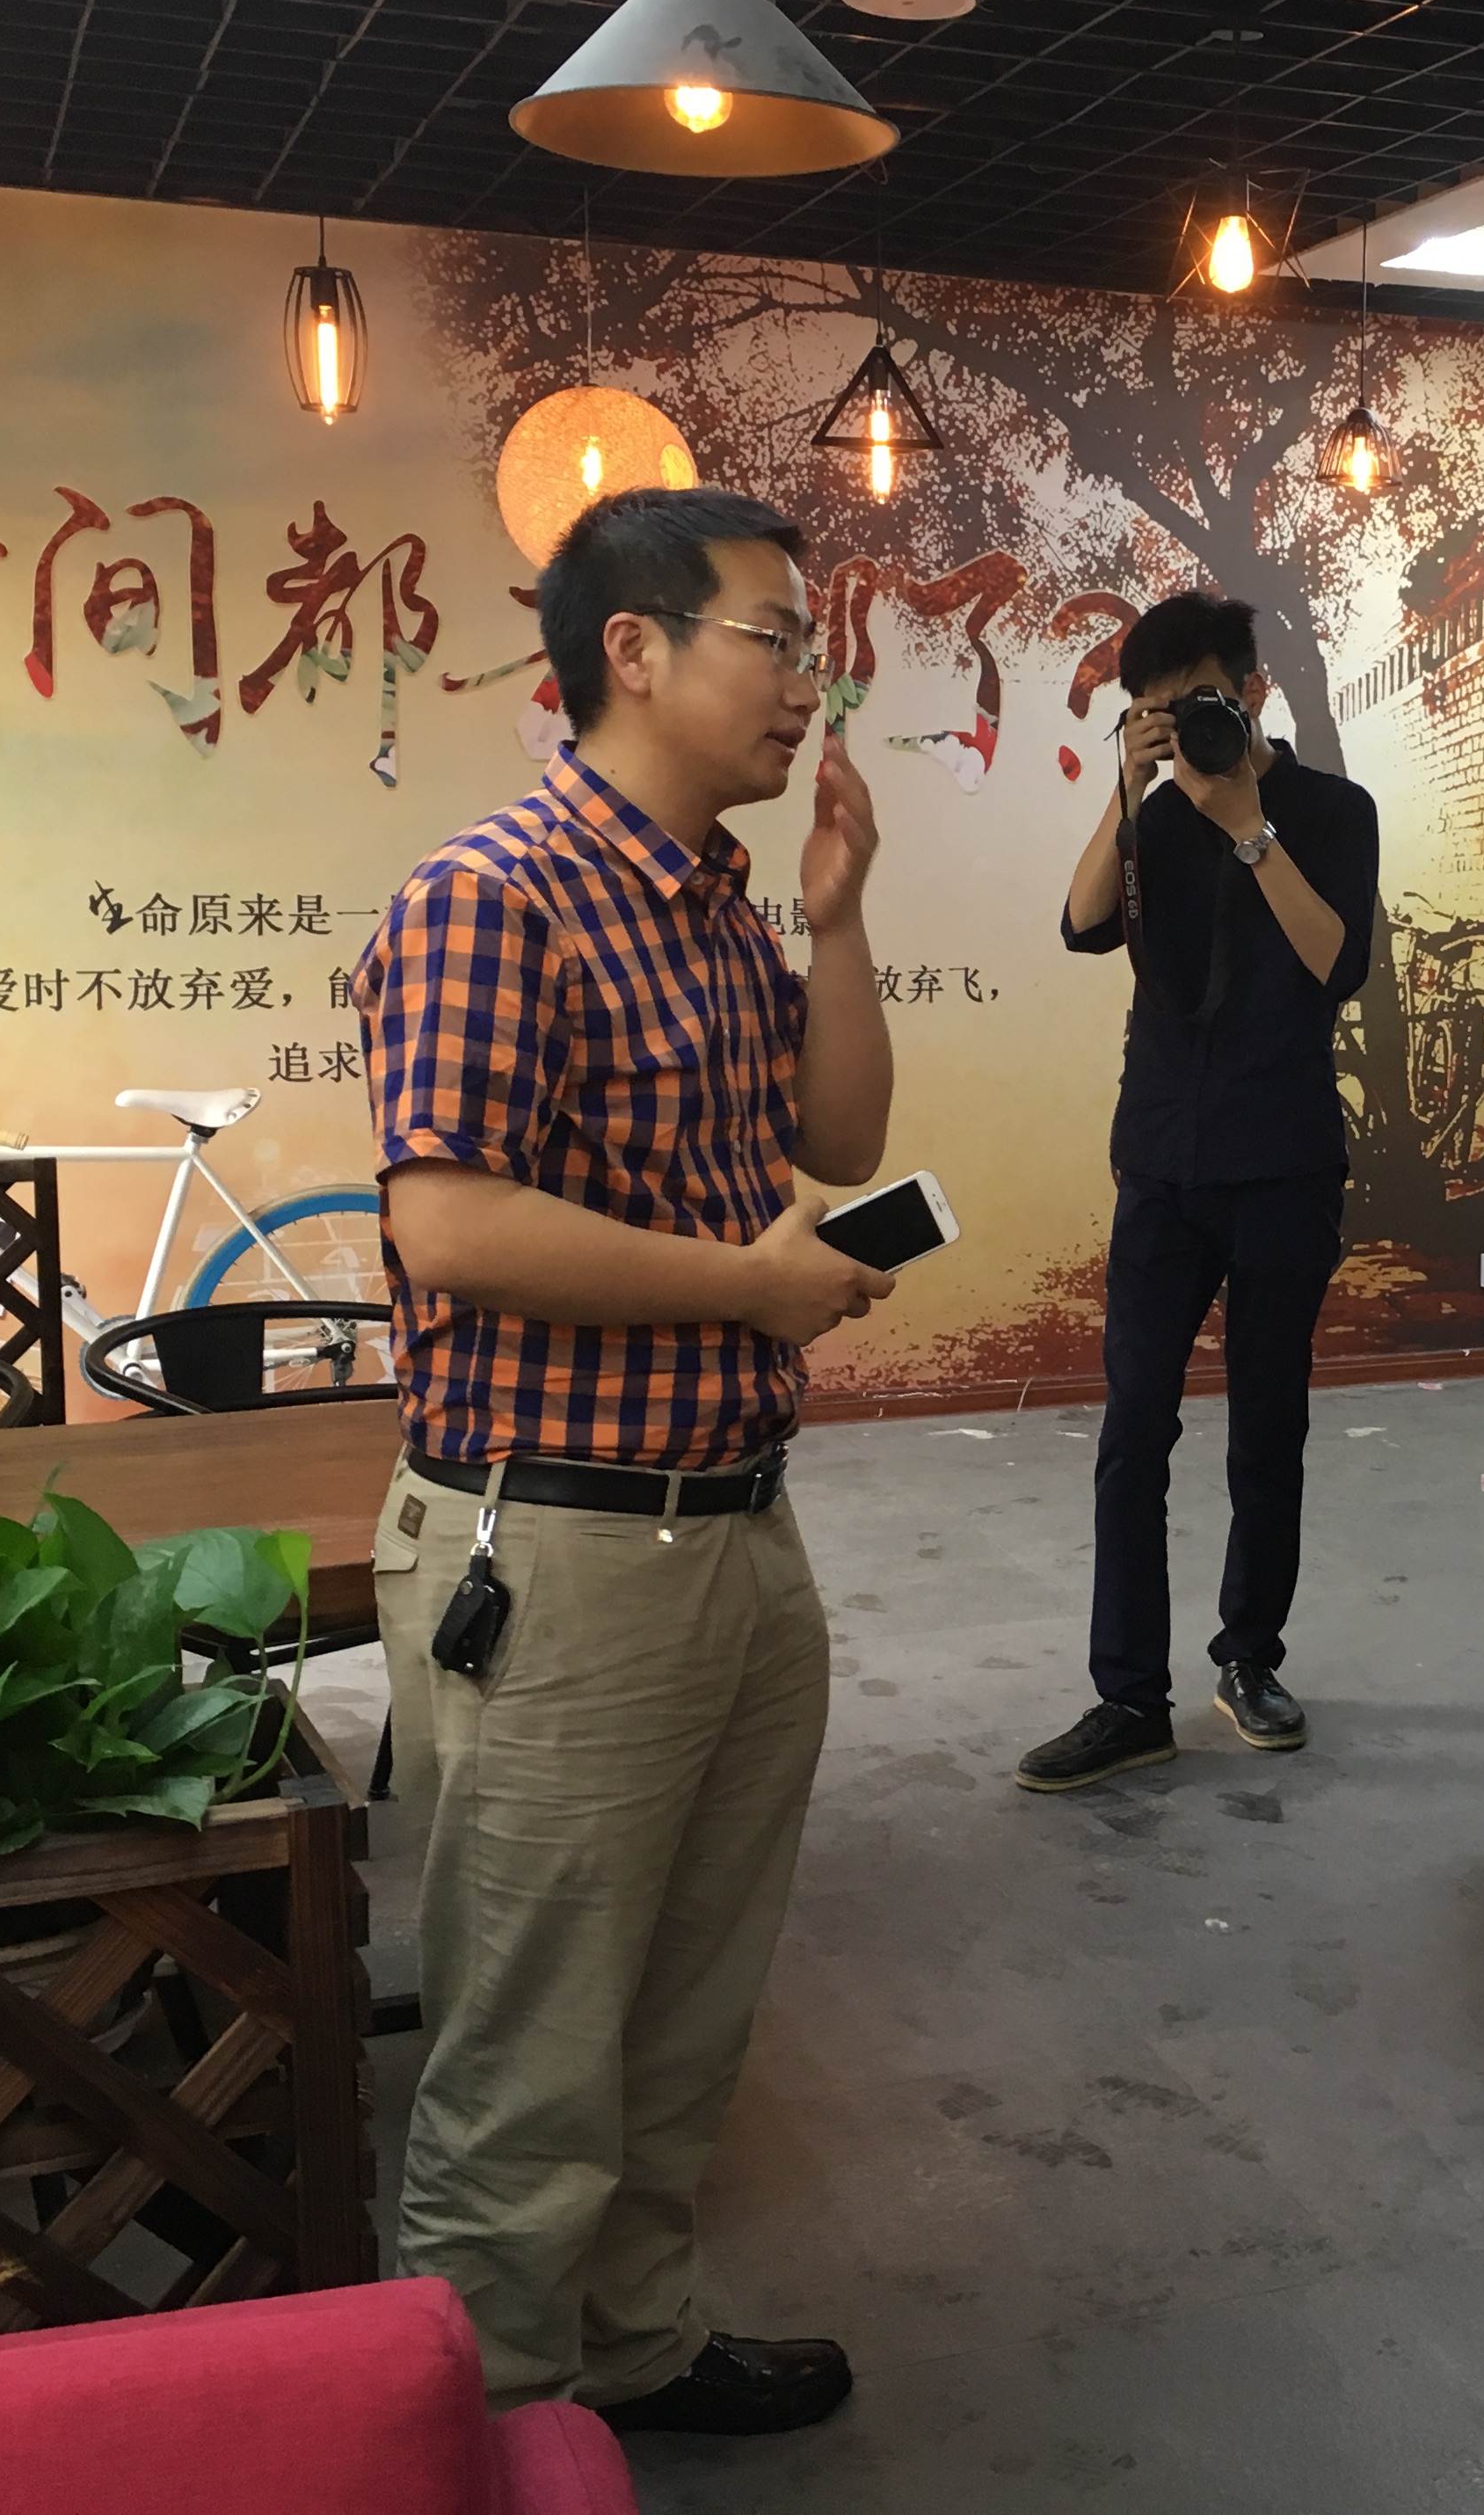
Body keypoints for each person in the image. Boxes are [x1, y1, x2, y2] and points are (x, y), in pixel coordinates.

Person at [356, 487, 898, 2438]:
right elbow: (450, 1224)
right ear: (634, 651)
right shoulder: (493, 897)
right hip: (562, 1552)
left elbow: (839, 1142)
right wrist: (747, 1291)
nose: (807, 680)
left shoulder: (724, 910)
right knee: (528, 2046)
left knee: (685, 2003)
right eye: (775, 635)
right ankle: (488, 2430)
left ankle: (632, 2346)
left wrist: (836, 918)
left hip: (735, 1530)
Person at [1015, 589, 1381, 1792]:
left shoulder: (1333, 811)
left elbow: (1337, 965)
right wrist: (1128, 791)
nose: (1182, 731)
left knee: (1269, 1426)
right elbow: (1079, 927)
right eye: (1156, 715)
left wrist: (1249, 827)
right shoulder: (1157, 815)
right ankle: (1128, 1697)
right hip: (1163, 1161)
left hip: (1283, 1160)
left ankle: (1251, 1659)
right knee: (1134, 1433)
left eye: (1198, 706)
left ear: (1254, 690)